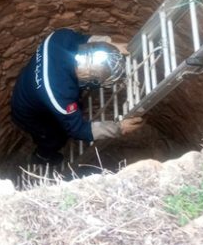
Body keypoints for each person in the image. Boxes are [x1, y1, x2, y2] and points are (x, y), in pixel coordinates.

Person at [10, 28, 144, 166]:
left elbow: (84, 40)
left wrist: (110, 46)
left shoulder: (61, 37)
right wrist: (118, 127)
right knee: (54, 138)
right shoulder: (59, 95)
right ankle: (42, 156)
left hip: (30, 86)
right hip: (28, 111)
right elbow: (78, 130)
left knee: (67, 116)